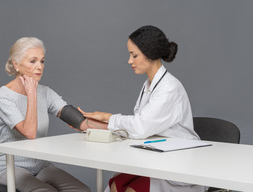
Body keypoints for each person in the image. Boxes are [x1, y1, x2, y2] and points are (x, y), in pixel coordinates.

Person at [78, 26, 204, 192]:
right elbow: (137, 128)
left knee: (132, 190)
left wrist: (109, 117)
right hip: (155, 157)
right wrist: (91, 125)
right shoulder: (149, 85)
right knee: (115, 184)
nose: (130, 61)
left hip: (177, 164)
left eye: (134, 55)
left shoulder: (169, 88)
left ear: (150, 53)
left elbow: (139, 127)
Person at [0, 37, 91, 192]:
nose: (39, 67)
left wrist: (113, 126)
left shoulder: (45, 92)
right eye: (33, 61)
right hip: (9, 166)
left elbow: (79, 122)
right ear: (16, 64)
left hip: (41, 165)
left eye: (42, 61)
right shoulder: (3, 96)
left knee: (82, 190)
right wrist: (31, 94)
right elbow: (29, 132)